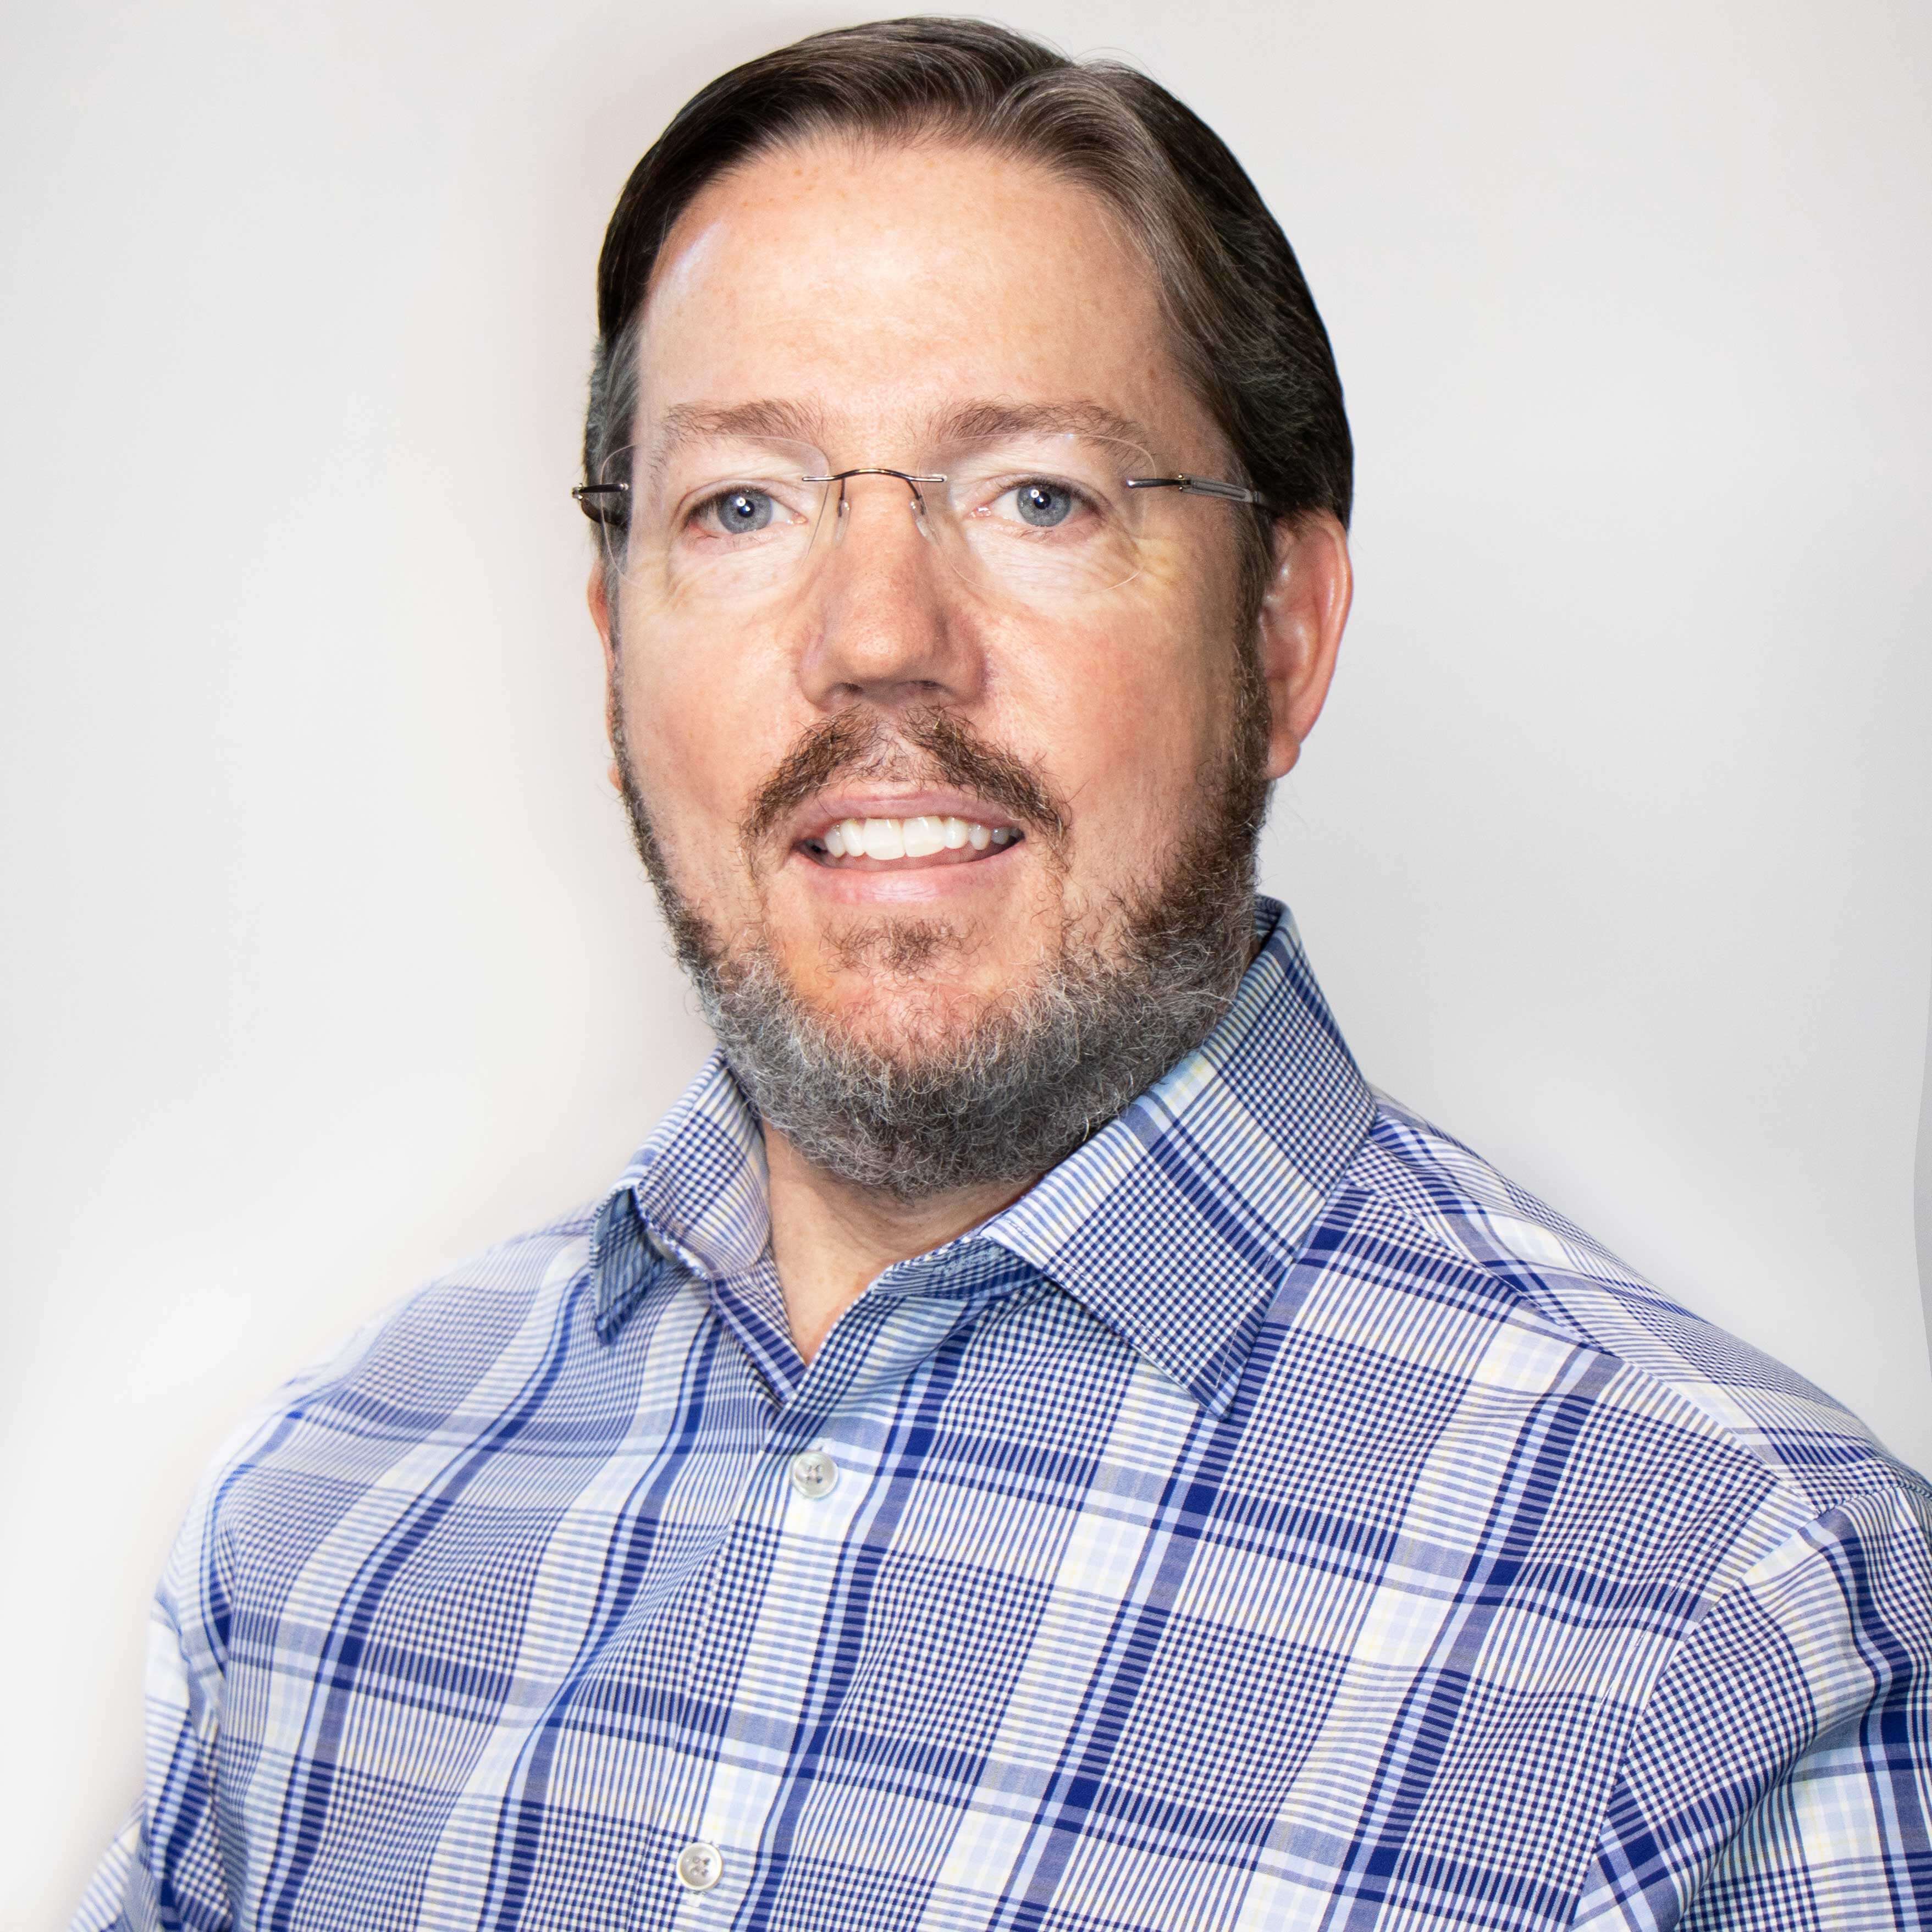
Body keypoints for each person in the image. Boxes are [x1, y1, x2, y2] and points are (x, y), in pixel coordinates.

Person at [75, 18, 1930, 1930]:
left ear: (1281, 637)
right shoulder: (332, 1524)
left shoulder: (1731, 1625)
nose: (877, 638)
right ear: (612, 644)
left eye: (1038, 494)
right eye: (742, 505)